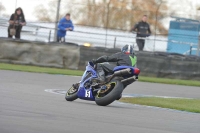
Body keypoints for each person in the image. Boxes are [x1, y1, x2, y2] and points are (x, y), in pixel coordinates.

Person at [73, 44, 137, 89]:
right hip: (130, 73)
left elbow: (106, 58)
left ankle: (101, 79)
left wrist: (95, 61)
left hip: (120, 69)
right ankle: (118, 90)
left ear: (123, 50)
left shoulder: (121, 54)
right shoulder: (135, 57)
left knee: (100, 65)